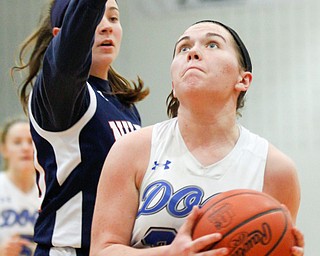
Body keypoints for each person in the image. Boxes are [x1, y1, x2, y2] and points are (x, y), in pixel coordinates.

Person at [90, 20, 305, 256]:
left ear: (243, 80)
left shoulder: (275, 169)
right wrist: (170, 254)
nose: (192, 52)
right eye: (183, 48)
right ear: (173, 84)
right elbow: (102, 251)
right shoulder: (132, 149)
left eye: (212, 44)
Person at [11, 0, 149, 255]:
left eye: (114, 19)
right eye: (96, 19)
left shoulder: (124, 105)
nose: (106, 27)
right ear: (62, 37)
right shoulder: (58, 94)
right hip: (68, 249)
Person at [0, 118, 41, 256]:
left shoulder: (50, 188)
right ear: (4, 149)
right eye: (17, 142)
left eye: (31, 142)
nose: (25, 148)